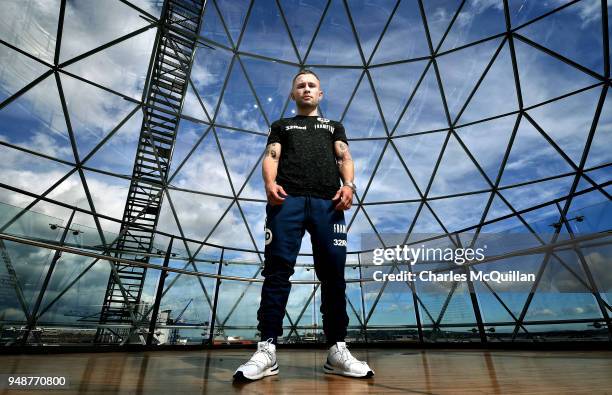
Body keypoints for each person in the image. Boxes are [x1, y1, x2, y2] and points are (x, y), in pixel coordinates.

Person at [233, 69, 374, 381]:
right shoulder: (282, 125)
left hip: (329, 202)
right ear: (293, 94)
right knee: (277, 271)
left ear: (320, 94)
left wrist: (349, 185)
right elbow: (271, 156)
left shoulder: (333, 126)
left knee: (334, 275)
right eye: (301, 85)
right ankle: (267, 348)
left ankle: (337, 349)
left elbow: (344, 156)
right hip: (288, 201)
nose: (307, 89)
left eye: (312, 86)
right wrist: (269, 184)